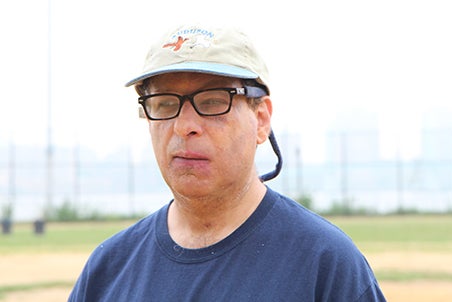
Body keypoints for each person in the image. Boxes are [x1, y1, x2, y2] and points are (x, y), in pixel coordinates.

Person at [69, 24, 386, 301]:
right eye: (165, 103)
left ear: (261, 120)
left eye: (213, 101)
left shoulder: (323, 263)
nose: (184, 125)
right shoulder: (108, 269)